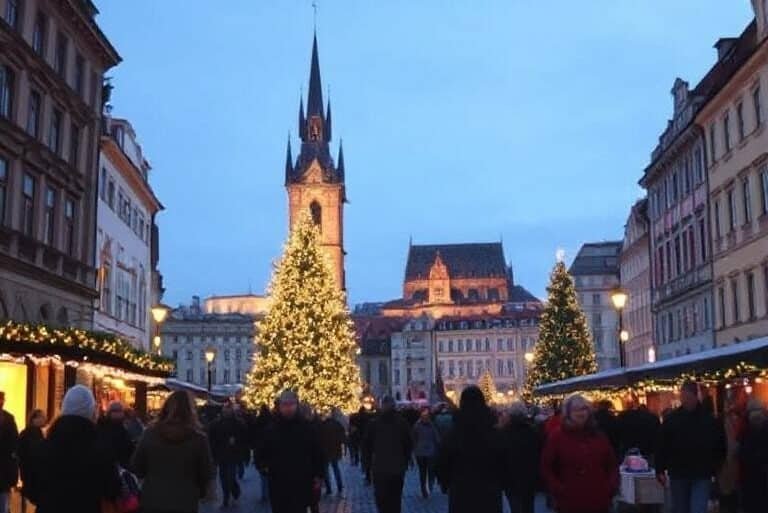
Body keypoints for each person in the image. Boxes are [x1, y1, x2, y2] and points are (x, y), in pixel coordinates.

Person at [35, 385, 120, 513]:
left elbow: (33, 487)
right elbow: (112, 489)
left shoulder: (44, 446)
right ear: (91, 411)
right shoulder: (100, 448)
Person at [131, 390, 215, 513]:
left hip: (153, 500)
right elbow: (205, 472)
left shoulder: (150, 434)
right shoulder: (198, 439)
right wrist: (199, 491)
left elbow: (136, 466)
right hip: (185, 502)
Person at [540, 394, 618, 513]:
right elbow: (547, 467)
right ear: (568, 413)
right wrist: (559, 489)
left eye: (584, 409)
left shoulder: (598, 435)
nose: (581, 413)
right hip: (570, 502)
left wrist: (609, 487)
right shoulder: (557, 436)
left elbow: (611, 464)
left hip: (598, 501)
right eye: (576, 409)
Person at [656, 381, 726, 513]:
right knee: (682, 508)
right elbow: (662, 444)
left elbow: (720, 444)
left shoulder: (708, 420)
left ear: (695, 396)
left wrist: (716, 466)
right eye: (683, 396)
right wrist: (660, 468)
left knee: (696, 508)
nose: (684, 400)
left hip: (700, 472)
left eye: (686, 396)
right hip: (680, 472)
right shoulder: (673, 420)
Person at [436, 386, 507, 513]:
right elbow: (505, 462)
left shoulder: (454, 434)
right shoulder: (495, 434)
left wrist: (446, 484)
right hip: (489, 494)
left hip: (461, 494)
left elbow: (442, 463)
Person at [257, 391, 325, 513]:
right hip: (279, 484)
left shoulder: (306, 428)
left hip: (301, 484)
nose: (288, 408)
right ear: (280, 406)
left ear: (296, 405)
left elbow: (317, 453)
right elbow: (260, 452)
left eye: (291, 404)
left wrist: (318, 474)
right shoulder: (271, 429)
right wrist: (264, 467)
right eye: (285, 404)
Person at [364, 395, 413, 513]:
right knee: (395, 501)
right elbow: (408, 445)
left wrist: (367, 466)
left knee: (382, 501)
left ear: (382, 406)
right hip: (397, 469)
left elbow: (366, 447)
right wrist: (405, 461)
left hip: (380, 469)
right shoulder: (402, 423)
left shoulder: (374, 424)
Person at [500, 402, 539, 513]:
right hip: (529, 478)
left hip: (511, 480)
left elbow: (501, 458)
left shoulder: (504, 433)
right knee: (529, 507)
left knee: (516, 507)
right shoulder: (533, 432)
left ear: (510, 415)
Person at [208, 403, 247, 507]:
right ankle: (226, 497)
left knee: (230, 477)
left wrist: (237, 442)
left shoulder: (238, 423)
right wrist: (213, 453)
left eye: (228, 409)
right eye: (225, 409)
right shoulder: (215, 424)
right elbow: (212, 439)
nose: (227, 411)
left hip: (233, 455)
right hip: (221, 455)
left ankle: (234, 490)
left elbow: (244, 438)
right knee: (223, 478)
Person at [738, 397, 768, 513]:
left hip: (750, 476)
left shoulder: (745, 431)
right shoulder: (746, 431)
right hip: (756, 475)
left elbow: (742, 453)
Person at [17, 409, 46, 506]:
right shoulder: (33, 433)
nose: (45, 419)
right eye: (42, 417)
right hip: (32, 471)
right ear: (35, 419)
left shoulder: (27, 432)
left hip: (27, 471)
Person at [412, 407, 440, 498]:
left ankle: (425, 488)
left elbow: (414, 439)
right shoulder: (431, 425)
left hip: (422, 452)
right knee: (427, 471)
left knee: (423, 472)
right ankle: (426, 488)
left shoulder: (417, 425)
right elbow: (437, 438)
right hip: (428, 452)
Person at [97, 400, 135, 469]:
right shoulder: (121, 430)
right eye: (115, 411)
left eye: (119, 411)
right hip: (116, 467)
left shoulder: (100, 426)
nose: (118, 413)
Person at [319, 412, 346, 495]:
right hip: (335, 450)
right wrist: (343, 447)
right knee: (336, 468)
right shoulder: (337, 424)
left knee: (326, 470)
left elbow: (319, 438)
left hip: (325, 451)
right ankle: (340, 486)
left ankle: (329, 488)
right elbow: (343, 437)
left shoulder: (322, 425)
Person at [250, 404, 273, 503]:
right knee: (269, 475)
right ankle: (268, 493)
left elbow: (254, 434)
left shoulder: (258, 420)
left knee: (263, 475)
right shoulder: (273, 421)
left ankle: (265, 494)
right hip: (270, 451)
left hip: (260, 450)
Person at [0, 391, 18, 513]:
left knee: (3, 502)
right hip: (4, 466)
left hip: (4, 467)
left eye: (2, 399)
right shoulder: (8, 418)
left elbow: (14, 441)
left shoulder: (9, 418)